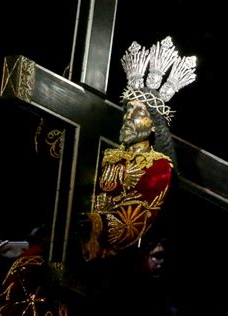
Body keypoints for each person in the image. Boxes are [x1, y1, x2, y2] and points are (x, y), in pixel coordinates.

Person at [80, 36, 196, 262]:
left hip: (119, 256)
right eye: (127, 111)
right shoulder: (107, 156)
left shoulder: (158, 167)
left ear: (153, 124)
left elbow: (136, 214)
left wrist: (94, 223)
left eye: (137, 113)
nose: (128, 118)